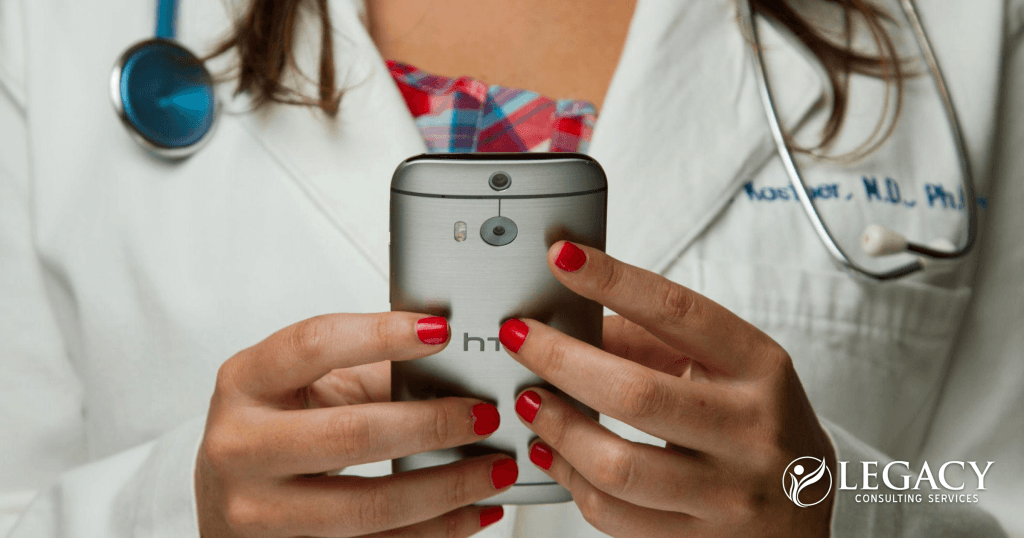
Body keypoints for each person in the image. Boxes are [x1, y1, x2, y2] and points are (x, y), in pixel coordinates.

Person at [1, 0, 1022, 536]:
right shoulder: (50, 23)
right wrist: (176, 516)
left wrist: (843, 512)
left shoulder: (965, 21)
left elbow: (998, 495)